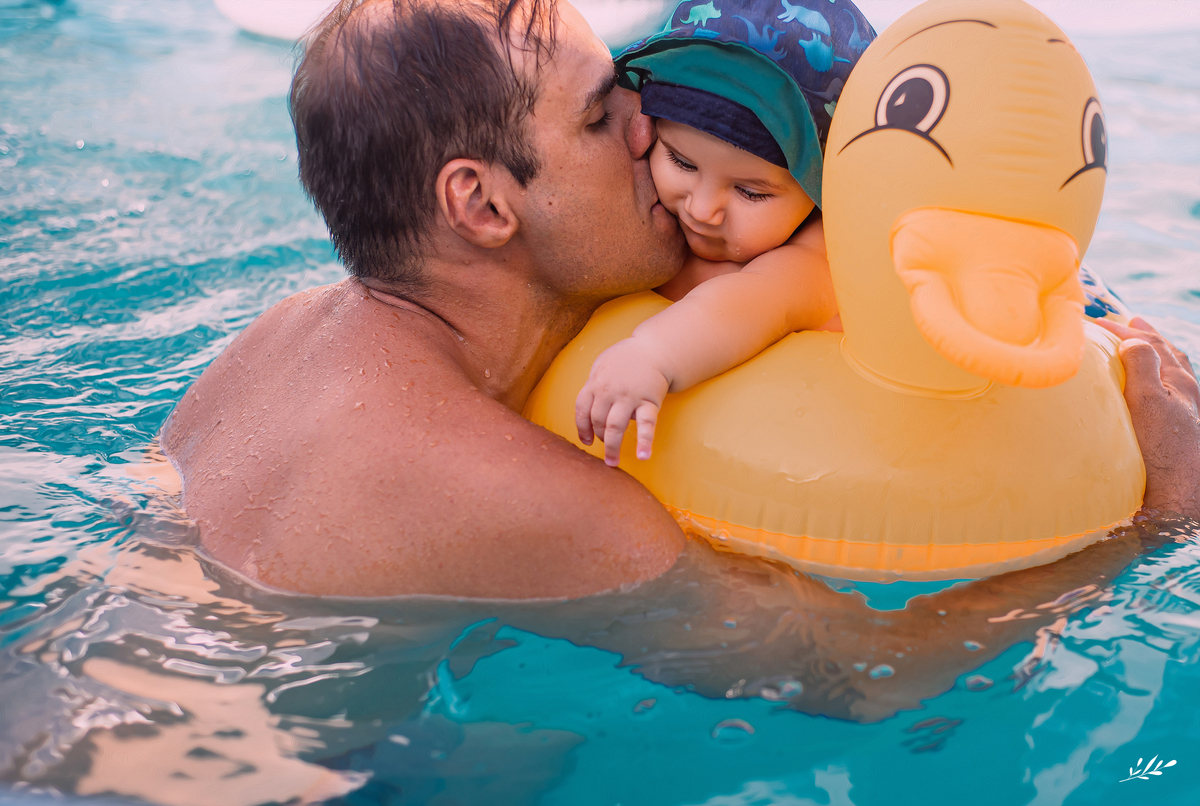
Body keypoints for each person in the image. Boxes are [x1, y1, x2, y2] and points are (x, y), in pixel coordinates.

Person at [161, 0, 1200, 601]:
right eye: (602, 113)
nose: (650, 134)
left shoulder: (271, 340)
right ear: (480, 203)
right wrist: (1156, 514)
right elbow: (863, 683)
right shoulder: (540, 493)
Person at [574, 0, 873, 464]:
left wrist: (654, 355)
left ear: (820, 195)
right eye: (682, 162)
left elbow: (754, 301)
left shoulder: (814, 259)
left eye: (751, 193)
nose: (702, 208)